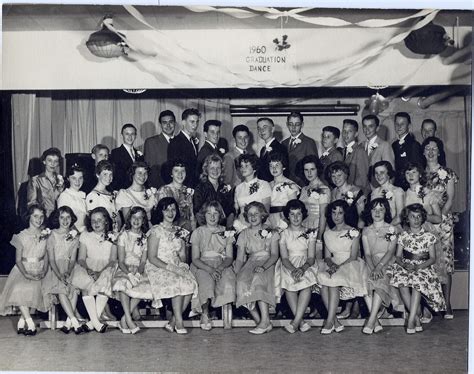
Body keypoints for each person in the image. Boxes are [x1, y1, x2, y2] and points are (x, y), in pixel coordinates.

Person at [386, 204, 446, 334]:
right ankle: (417, 318)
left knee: (416, 283)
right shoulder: (403, 235)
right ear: (407, 219)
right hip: (406, 265)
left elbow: (432, 258)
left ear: (423, 218)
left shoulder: (429, 236)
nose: (416, 219)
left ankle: (412, 318)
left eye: (419, 216)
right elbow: (397, 256)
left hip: (423, 267)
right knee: (402, 283)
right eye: (413, 217)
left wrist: (418, 267)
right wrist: (403, 265)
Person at [146, 197, 198, 334]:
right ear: (161, 212)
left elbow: (182, 255)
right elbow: (151, 258)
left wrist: (182, 264)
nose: (170, 213)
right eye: (166, 210)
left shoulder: (179, 231)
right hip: (158, 266)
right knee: (177, 282)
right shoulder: (156, 231)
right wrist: (171, 268)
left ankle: (173, 321)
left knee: (190, 283)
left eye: (173, 209)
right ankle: (179, 322)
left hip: (175, 265)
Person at [317, 200, 369, 334]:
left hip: (349, 264)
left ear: (345, 214)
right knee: (323, 280)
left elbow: (353, 256)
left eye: (340, 213)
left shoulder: (353, 231)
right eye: (334, 213)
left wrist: (338, 267)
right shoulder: (327, 233)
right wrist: (331, 264)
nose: (336, 216)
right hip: (333, 263)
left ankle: (329, 322)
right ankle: (334, 320)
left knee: (332, 281)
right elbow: (327, 256)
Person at [0, 205, 51, 335]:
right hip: (23, 269)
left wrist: (44, 271)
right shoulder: (21, 236)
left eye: (41, 216)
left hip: (40, 268)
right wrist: (27, 275)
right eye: (35, 216)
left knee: (33, 291)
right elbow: (18, 260)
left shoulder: (46, 234)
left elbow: (46, 256)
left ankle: (21, 322)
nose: (39, 219)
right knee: (19, 289)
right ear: (29, 217)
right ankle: (30, 322)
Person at [422, 136, 458, 319]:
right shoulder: (419, 173)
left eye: (434, 148)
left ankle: (447, 303)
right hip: (423, 223)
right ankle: (429, 305)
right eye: (427, 148)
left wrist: (440, 219)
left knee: (445, 262)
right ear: (423, 151)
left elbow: (450, 199)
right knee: (427, 262)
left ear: (439, 151)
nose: (430, 151)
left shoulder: (448, 173)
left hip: (443, 223)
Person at [70, 207, 117, 333]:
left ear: (106, 221)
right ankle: (96, 322)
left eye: (99, 220)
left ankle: (91, 323)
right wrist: (89, 270)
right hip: (88, 265)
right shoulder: (85, 236)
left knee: (105, 281)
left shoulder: (113, 236)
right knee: (85, 284)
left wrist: (100, 272)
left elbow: (113, 260)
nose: (96, 223)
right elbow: (81, 259)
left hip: (106, 267)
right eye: (93, 220)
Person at [235, 202, 279, 335]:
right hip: (251, 262)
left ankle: (264, 321)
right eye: (250, 214)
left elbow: (274, 255)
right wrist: (236, 273)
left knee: (258, 279)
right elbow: (239, 258)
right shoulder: (244, 234)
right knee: (241, 282)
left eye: (256, 213)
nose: (253, 217)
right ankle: (262, 321)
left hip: (268, 263)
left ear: (263, 215)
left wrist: (264, 267)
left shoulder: (272, 232)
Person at [190, 201, 236, 331]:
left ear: (220, 215)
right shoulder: (198, 232)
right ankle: (205, 313)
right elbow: (195, 259)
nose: (212, 216)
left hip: (222, 264)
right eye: (209, 213)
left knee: (228, 280)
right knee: (206, 281)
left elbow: (229, 257)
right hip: (202, 264)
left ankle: (227, 316)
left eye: (215, 213)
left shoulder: (226, 232)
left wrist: (220, 268)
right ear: (203, 215)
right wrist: (210, 269)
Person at [361, 198, 402, 335]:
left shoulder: (392, 229)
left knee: (379, 280)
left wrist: (379, 267)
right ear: (370, 211)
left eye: (381, 209)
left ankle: (371, 320)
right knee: (364, 280)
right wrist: (373, 268)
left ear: (386, 212)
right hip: (371, 262)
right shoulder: (366, 231)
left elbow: (391, 252)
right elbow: (367, 254)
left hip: (387, 261)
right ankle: (376, 322)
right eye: (374, 209)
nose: (377, 212)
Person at [279, 200, 320, 333]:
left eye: (299, 214)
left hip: (306, 264)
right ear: (288, 216)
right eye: (292, 214)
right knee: (289, 283)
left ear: (303, 215)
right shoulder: (283, 234)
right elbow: (284, 258)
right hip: (289, 263)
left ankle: (296, 322)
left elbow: (311, 257)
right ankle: (301, 322)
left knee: (306, 283)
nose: (296, 217)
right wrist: (293, 269)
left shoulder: (310, 233)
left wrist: (302, 268)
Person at [42, 206, 85, 334]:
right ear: (57, 219)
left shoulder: (74, 237)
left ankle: (68, 323)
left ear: (72, 219)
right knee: (61, 289)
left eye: (68, 218)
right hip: (54, 269)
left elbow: (73, 259)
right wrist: (60, 275)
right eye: (62, 217)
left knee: (74, 288)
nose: (65, 221)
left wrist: (68, 271)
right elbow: (51, 260)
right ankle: (75, 321)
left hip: (69, 268)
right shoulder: (52, 235)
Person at [112, 207, 154, 334]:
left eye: (140, 217)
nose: (136, 220)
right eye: (134, 217)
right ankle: (129, 320)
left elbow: (143, 261)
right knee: (123, 284)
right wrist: (129, 273)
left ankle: (124, 319)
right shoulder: (124, 235)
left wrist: (139, 272)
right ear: (129, 219)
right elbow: (120, 261)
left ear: (143, 220)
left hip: (138, 269)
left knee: (145, 286)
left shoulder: (145, 238)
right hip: (124, 268)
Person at [193, 154, 234, 228]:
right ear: (206, 169)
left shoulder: (225, 187)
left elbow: (231, 211)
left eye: (218, 168)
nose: (215, 171)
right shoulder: (200, 188)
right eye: (212, 168)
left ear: (221, 169)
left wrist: (228, 229)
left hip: (223, 228)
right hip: (205, 228)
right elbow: (197, 212)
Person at [233, 154, 272, 232]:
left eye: (246, 165)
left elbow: (266, 211)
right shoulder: (238, 188)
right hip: (241, 226)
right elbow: (236, 212)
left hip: (259, 226)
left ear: (254, 168)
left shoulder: (264, 185)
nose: (243, 168)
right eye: (241, 166)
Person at [156, 159, 196, 233]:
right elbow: (160, 216)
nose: (180, 174)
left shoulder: (188, 191)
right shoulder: (163, 190)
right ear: (171, 173)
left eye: (183, 171)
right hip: (167, 231)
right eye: (176, 171)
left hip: (185, 231)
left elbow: (191, 215)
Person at [281, 111, 319, 186]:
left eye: (297, 124)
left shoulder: (309, 142)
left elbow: (314, 166)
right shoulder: (283, 143)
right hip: (286, 184)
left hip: (302, 184)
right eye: (291, 124)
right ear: (287, 125)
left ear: (302, 125)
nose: (293, 127)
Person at [167, 108, 201, 187]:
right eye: (192, 122)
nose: (195, 125)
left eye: (197, 122)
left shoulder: (192, 141)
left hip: (192, 186)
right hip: (183, 186)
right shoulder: (176, 142)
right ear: (183, 122)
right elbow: (174, 169)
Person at [27, 147, 64, 218]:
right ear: (44, 161)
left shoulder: (61, 180)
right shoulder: (35, 180)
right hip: (43, 219)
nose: (52, 164)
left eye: (55, 161)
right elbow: (31, 204)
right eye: (49, 160)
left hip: (59, 220)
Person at [328, 161, 366, 229]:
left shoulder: (356, 191)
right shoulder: (332, 192)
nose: (336, 179)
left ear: (346, 175)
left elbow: (362, 217)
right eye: (333, 176)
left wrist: (357, 233)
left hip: (351, 231)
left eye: (339, 175)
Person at [144, 110, 176, 188]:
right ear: (160, 125)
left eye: (171, 122)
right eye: (164, 123)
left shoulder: (180, 141)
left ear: (175, 123)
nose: (168, 125)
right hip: (160, 187)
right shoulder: (151, 142)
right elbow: (150, 170)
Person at [86, 160, 121, 232]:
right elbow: (93, 221)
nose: (108, 177)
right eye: (105, 174)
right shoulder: (93, 196)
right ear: (98, 175)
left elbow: (116, 216)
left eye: (110, 174)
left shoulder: (111, 194)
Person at [268, 152, 300, 230]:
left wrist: (285, 223)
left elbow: (293, 207)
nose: (274, 168)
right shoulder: (267, 185)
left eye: (277, 165)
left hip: (283, 219)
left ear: (283, 167)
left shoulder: (290, 185)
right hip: (268, 220)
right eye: (271, 166)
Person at [391, 112, 423, 187]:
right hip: (397, 185)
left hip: (409, 186)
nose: (399, 126)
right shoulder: (394, 144)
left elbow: (416, 169)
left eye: (402, 124)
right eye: (396, 124)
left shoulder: (414, 145)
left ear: (409, 125)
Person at [370, 161, 405, 227]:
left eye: (382, 172)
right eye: (376, 173)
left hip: (393, 227)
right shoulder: (374, 192)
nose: (378, 176)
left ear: (389, 174)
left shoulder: (397, 191)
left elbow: (399, 217)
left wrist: (385, 228)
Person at [110, 123, 145, 190]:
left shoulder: (139, 154)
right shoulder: (116, 152)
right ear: (122, 135)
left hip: (138, 189)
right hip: (123, 189)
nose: (130, 137)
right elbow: (117, 175)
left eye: (132, 134)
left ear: (135, 136)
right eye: (127, 134)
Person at [361, 114, 395, 181]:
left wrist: (385, 191)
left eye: (370, 126)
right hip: (363, 188)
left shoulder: (385, 145)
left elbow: (391, 172)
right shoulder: (361, 145)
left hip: (378, 188)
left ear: (377, 128)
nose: (367, 129)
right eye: (365, 126)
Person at [341, 119, 370, 194]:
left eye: (349, 131)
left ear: (356, 133)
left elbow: (363, 178)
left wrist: (359, 196)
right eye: (344, 131)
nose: (346, 134)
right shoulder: (343, 150)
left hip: (356, 194)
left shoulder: (360, 150)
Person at [57, 164, 87, 233]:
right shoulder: (64, 196)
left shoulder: (83, 195)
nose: (77, 181)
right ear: (68, 178)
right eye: (74, 178)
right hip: (71, 234)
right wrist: (77, 233)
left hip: (83, 232)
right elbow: (64, 220)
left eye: (80, 178)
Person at [256, 117, 288, 182]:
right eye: (259, 128)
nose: (261, 131)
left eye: (265, 127)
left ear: (272, 129)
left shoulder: (280, 147)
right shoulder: (263, 149)